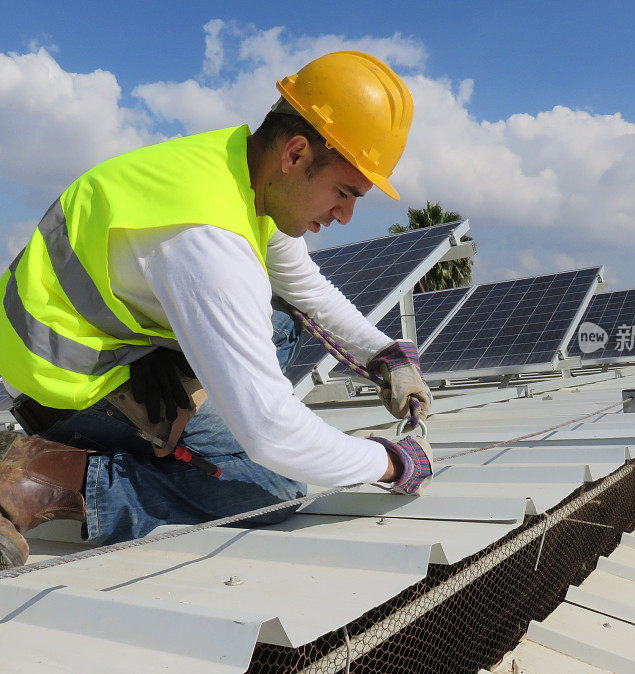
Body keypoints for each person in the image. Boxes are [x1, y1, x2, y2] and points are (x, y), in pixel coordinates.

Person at [0, 51, 433, 569]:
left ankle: (165, 422)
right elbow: (272, 434)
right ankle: (50, 474)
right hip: (58, 381)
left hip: (94, 342)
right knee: (273, 487)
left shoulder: (235, 166)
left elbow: (305, 287)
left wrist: (387, 354)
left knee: (280, 322)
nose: (346, 214)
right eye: (344, 192)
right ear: (295, 154)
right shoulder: (209, 243)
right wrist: (388, 462)